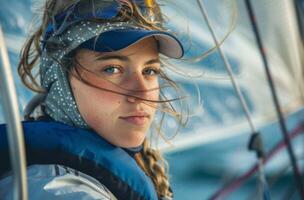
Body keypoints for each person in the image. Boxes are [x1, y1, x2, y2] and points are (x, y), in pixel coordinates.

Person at [0, 0, 186, 199]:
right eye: (112, 69)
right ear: (60, 77)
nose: (143, 93)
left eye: (149, 71)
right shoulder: (57, 190)